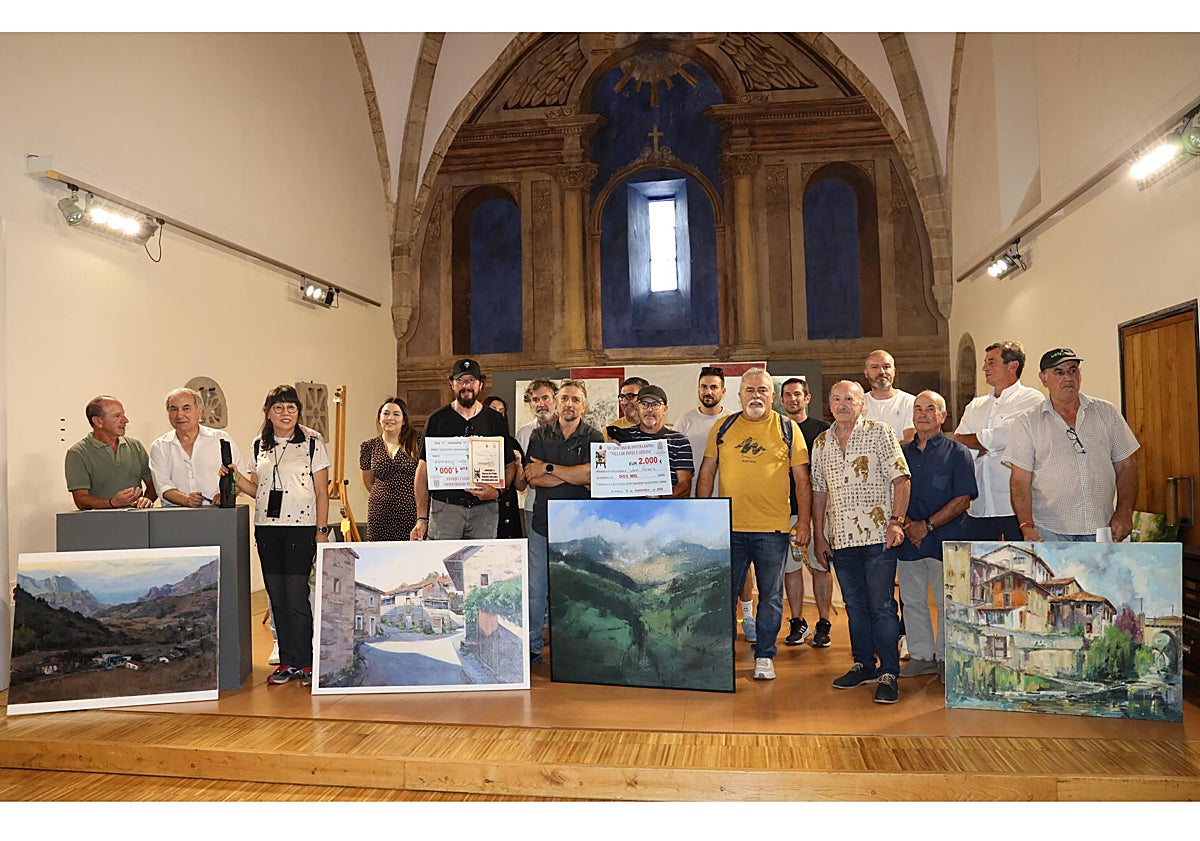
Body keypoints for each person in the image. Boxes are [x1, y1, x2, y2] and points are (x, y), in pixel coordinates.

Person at [696, 368, 810, 682]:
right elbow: (706, 473)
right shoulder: (724, 426)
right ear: (739, 395)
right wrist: (702, 515)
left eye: (762, 390)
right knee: (721, 594)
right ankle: (718, 653)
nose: (756, 396)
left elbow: (802, 480)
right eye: (749, 390)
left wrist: (803, 522)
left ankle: (764, 655)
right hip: (727, 528)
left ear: (773, 396)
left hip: (772, 529)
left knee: (771, 596)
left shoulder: (787, 428)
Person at [811, 381, 910, 704]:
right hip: (841, 538)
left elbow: (901, 478)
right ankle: (864, 664)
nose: (842, 404)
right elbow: (819, 492)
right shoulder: (821, 443)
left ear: (861, 404)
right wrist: (819, 534)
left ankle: (889, 672)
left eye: (849, 399)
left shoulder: (880, 432)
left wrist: (896, 521)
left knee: (881, 605)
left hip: (878, 535)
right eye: (836, 399)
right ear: (829, 404)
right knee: (854, 606)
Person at [226, 385, 331, 687]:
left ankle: (308, 662)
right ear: (268, 412)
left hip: (302, 528)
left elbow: (323, 492)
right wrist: (235, 476)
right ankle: (287, 662)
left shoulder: (312, 442)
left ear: (298, 411)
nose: (285, 414)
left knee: (297, 596)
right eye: (279, 408)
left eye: (291, 408)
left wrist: (321, 531)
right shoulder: (260, 443)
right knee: (277, 598)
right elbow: (255, 491)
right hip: (268, 529)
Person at [1005, 348, 1140, 542]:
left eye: (1073, 370)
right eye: (1059, 372)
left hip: (1102, 529)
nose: (1068, 377)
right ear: (1043, 379)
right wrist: (1026, 526)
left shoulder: (1106, 412)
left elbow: (1127, 466)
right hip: (1049, 532)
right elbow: (1019, 481)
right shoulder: (1027, 422)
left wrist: (1125, 511)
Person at [897, 391, 977, 681]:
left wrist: (927, 526)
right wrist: (908, 525)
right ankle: (920, 656)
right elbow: (890, 493)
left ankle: (946, 658)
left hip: (946, 538)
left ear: (943, 416)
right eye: (918, 409)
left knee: (947, 602)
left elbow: (963, 499)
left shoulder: (958, 453)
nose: (923, 414)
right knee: (912, 600)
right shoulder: (901, 453)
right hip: (908, 542)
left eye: (930, 409)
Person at [524, 380, 604, 664]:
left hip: (580, 526)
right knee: (537, 589)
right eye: (565, 398)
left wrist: (550, 468)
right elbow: (533, 478)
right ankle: (533, 647)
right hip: (542, 523)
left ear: (584, 405)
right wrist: (573, 473)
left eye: (575, 399)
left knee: (576, 588)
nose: (569, 404)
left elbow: (593, 476)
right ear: (557, 403)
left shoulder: (595, 437)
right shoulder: (540, 434)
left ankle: (574, 650)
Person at [410, 359, 517, 541]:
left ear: (481, 384)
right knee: (441, 563)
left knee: (482, 564)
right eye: (460, 381)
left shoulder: (495, 420)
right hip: (445, 510)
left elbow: (509, 465)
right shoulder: (437, 420)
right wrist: (421, 518)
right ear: (451, 383)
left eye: (471, 381)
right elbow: (423, 470)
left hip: (485, 511)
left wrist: (498, 492)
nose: (465, 386)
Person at [951, 340, 1044, 542]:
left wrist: (984, 443)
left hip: (1015, 508)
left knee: (1020, 569)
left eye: (991, 362)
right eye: (985, 362)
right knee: (976, 570)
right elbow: (959, 447)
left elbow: (1005, 435)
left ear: (1013, 366)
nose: (984, 368)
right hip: (979, 506)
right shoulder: (976, 405)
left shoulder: (1031, 399)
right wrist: (985, 445)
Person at [779, 377, 834, 648]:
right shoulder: (777, 429)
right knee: (791, 570)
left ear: (807, 398)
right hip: (786, 510)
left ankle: (824, 622)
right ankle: (798, 621)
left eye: (797, 394)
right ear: (781, 400)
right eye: (787, 395)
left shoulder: (824, 431)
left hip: (819, 513)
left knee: (820, 567)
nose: (793, 399)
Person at [148, 387, 240, 508]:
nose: (179, 415)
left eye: (186, 409)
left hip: (216, 513)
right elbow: (162, 486)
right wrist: (185, 500)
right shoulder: (159, 446)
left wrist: (225, 496)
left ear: (199, 412)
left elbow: (239, 479)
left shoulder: (221, 439)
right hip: (174, 516)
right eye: (174, 409)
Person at [65, 395, 157, 510]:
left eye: (123, 414)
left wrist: (146, 499)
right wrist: (112, 503)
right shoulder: (78, 453)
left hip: (138, 521)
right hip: (99, 523)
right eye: (117, 416)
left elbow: (154, 484)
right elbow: (81, 500)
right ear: (98, 421)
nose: (125, 420)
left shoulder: (135, 446)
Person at [359, 397, 421, 541]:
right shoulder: (369, 446)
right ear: (379, 418)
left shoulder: (417, 442)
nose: (390, 418)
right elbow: (369, 483)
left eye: (396, 414)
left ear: (404, 420)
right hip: (379, 514)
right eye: (385, 413)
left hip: (411, 512)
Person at [623, 384, 693, 498]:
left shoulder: (679, 441)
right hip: (628, 510)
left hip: (665, 511)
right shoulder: (623, 437)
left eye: (655, 405)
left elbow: (684, 485)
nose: (649, 410)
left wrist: (659, 497)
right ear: (637, 407)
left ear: (665, 409)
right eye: (644, 404)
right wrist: (610, 452)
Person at [515, 379, 559, 541]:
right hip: (533, 507)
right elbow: (524, 481)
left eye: (545, 398)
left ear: (555, 399)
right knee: (536, 558)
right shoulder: (524, 433)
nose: (541, 404)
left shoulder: (569, 429)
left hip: (564, 506)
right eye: (535, 400)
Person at [674, 366, 729, 497]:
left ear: (723, 391)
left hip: (725, 499)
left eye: (714, 387)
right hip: (691, 499)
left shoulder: (732, 421)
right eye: (704, 387)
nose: (708, 391)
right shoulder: (684, 421)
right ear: (698, 389)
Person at [484, 395, 525, 539]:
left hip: (507, 507)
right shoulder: (473, 441)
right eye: (493, 409)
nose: (498, 414)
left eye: (501, 411)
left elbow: (521, 486)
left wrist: (518, 466)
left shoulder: (511, 442)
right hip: (482, 507)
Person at [863, 350, 915, 444]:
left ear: (894, 371)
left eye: (886, 367)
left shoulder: (910, 402)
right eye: (875, 367)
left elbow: (910, 440)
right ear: (866, 373)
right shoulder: (858, 404)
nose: (881, 372)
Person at [605, 376, 649, 441]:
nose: (624, 402)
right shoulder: (610, 432)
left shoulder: (659, 430)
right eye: (622, 397)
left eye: (630, 396)